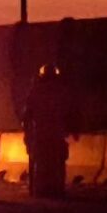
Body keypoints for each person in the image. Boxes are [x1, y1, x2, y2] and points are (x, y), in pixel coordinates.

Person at [21, 64, 76, 199]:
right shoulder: (62, 91)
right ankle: (56, 189)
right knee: (57, 161)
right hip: (56, 133)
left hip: (40, 133)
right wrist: (72, 129)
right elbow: (69, 112)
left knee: (38, 161)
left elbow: (27, 114)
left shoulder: (35, 91)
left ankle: (38, 190)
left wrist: (27, 132)